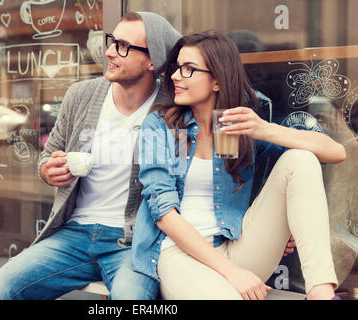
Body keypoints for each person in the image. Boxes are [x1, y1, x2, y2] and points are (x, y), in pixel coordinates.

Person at [0, 12, 181, 300]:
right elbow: (46, 159)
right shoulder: (81, 94)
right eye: (112, 41)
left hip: (133, 243)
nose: (109, 51)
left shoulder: (170, 110)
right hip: (73, 234)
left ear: (152, 60)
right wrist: (50, 170)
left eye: (123, 46)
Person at [131, 30, 347, 300]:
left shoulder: (236, 126)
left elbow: (335, 152)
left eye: (188, 69)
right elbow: (164, 214)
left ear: (217, 81)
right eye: (177, 67)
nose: (175, 76)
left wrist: (264, 129)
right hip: (177, 256)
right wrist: (233, 273)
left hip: (235, 247)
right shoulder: (161, 126)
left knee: (300, 159)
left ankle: (321, 293)